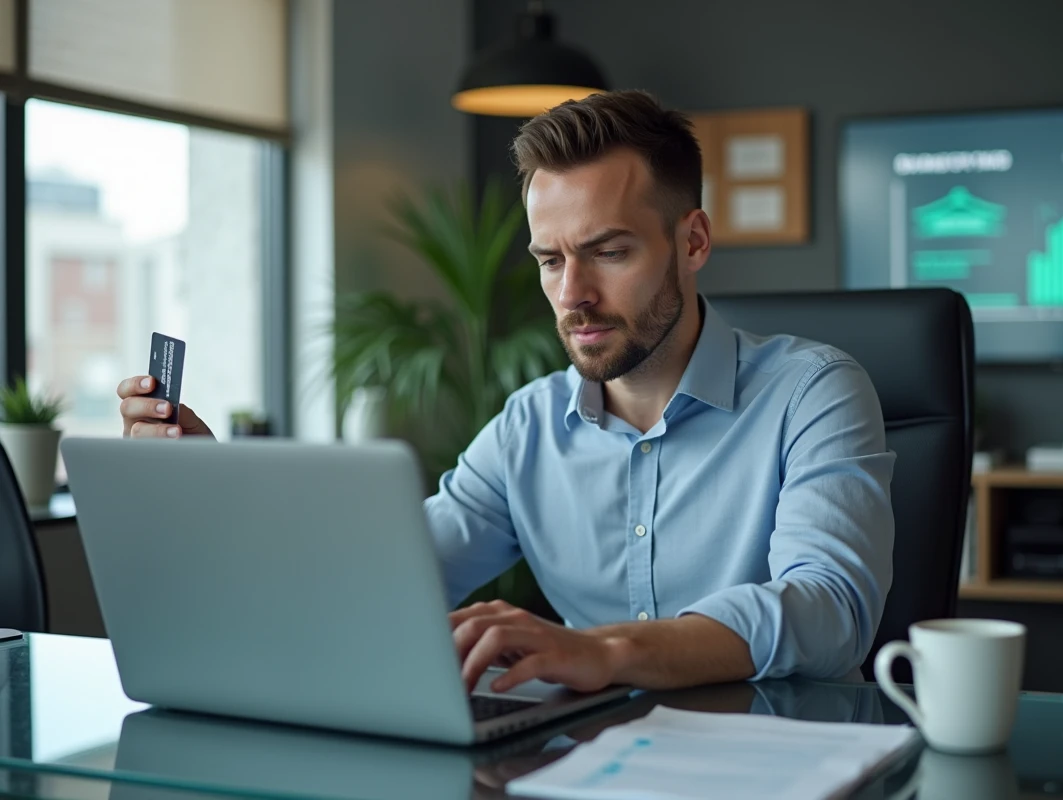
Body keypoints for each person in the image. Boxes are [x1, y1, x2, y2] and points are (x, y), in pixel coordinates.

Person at [116, 90, 894, 696]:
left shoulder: (813, 392)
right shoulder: (529, 427)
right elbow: (380, 580)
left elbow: (829, 613)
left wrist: (604, 650)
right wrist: (210, 488)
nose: (573, 294)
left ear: (692, 242)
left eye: (608, 252)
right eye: (551, 260)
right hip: (596, 763)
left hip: (788, 762)